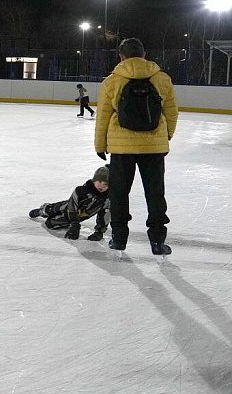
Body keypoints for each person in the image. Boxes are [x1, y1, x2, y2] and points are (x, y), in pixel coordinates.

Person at [94, 37, 179, 256]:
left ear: (121, 57)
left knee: (120, 194)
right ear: (144, 55)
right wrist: (166, 135)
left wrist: (100, 144)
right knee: (155, 194)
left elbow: (103, 115)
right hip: (154, 147)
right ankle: (158, 242)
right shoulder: (162, 79)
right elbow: (171, 111)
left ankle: (119, 239)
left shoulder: (111, 81)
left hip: (121, 149)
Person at [29, 165, 111, 241]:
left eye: (106, 184)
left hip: (79, 216)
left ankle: (61, 219)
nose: (102, 186)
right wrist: (75, 224)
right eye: (100, 181)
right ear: (94, 180)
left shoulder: (106, 199)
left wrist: (99, 232)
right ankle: (43, 210)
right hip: (68, 209)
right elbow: (71, 207)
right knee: (52, 210)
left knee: (50, 223)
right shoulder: (81, 191)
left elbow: (105, 215)